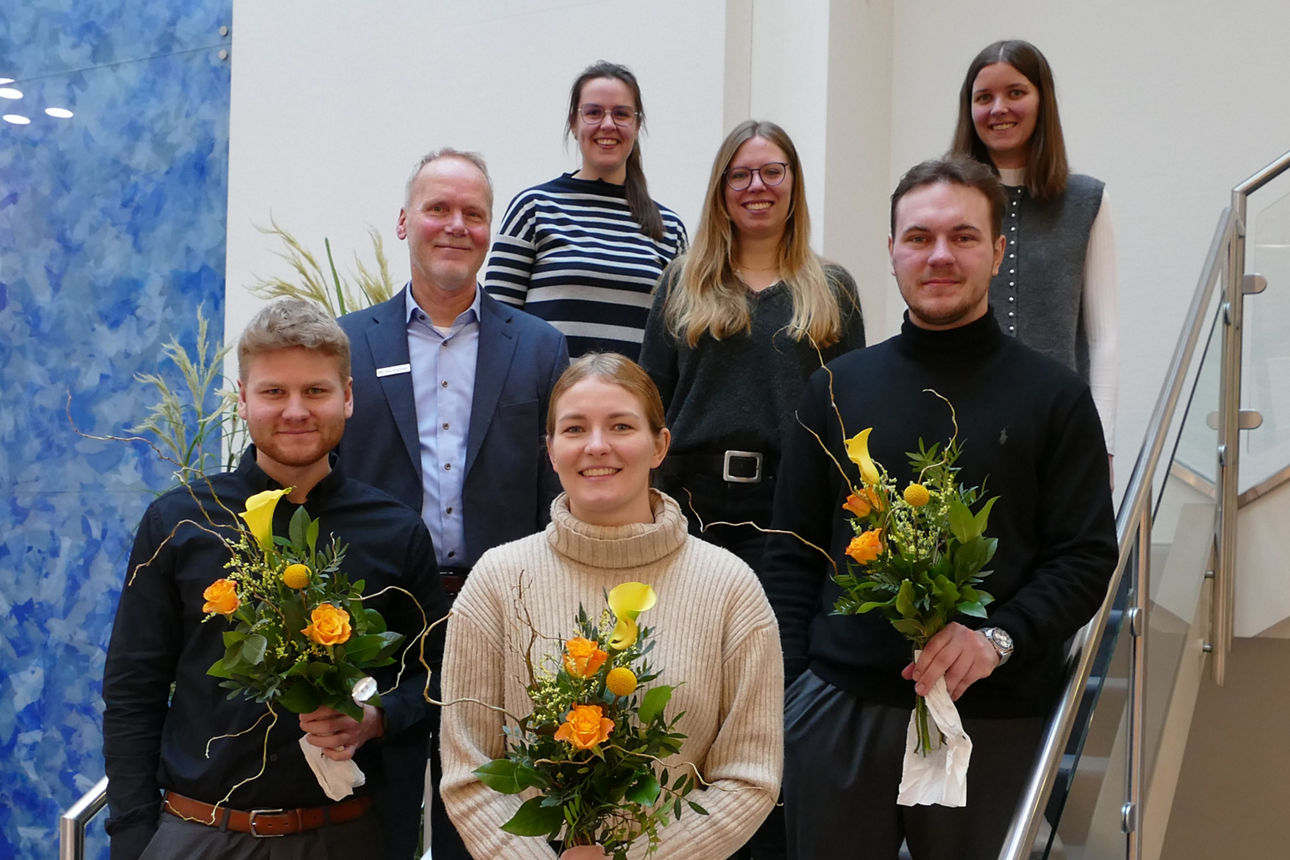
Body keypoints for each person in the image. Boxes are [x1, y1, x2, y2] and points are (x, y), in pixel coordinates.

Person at [763, 157, 1118, 860]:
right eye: (919, 238)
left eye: (963, 237)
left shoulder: (1054, 397)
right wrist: (796, 697)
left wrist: (998, 639)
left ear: (997, 252)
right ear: (892, 250)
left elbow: (1084, 557)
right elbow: (793, 553)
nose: (940, 256)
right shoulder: (836, 388)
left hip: (997, 718)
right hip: (842, 716)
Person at [102, 298, 449, 860]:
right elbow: (132, 692)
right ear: (242, 399)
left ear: (349, 397)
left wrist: (378, 717)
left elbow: (437, 679)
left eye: (316, 391)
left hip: (346, 836)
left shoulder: (396, 530)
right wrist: (136, 837)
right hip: (198, 833)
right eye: (273, 392)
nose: (295, 410)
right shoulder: (179, 521)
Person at [440, 353, 783, 859]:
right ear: (552, 451)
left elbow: (749, 776)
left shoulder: (730, 587)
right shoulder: (496, 581)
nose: (597, 446)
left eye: (620, 425)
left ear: (660, 445)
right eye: (574, 429)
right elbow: (468, 772)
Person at [338, 148, 569, 859]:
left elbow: (554, 498)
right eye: (439, 208)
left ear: (490, 230)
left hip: (502, 622)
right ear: (405, 220)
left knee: (495, 834)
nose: (455, 225)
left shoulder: (538, 349)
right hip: (379, 626)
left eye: (473, 213)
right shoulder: (345, 345)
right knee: (375, 830)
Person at [639, 119, 865, 576]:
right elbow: (649, 405)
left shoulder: (833, 289)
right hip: (688, 503)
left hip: (793, 505)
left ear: (794, 182)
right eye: (739, 175)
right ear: (721, 190)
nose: (755, 186)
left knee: (777, 644)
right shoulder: (681, 283)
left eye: (772, 172)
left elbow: (851, 419)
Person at [951, 39, 1118, 457]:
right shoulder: (944, 199)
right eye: (984, 97)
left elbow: (1104, 338)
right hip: (958, 421)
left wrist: (1104, 445)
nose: (998, 108)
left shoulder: (1087, 201)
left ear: (1043, 100)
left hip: (1057, 429)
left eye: (1016, 93)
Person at [485, 61, 688, 361]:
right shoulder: (533, 209)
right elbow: (496, 326)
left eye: (621, 114)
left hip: (633, 407)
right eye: (594, 112)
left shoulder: (669, 229)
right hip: (548, 406)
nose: (608, 124)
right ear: (574, 122)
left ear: (636, 125)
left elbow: (679, 344)